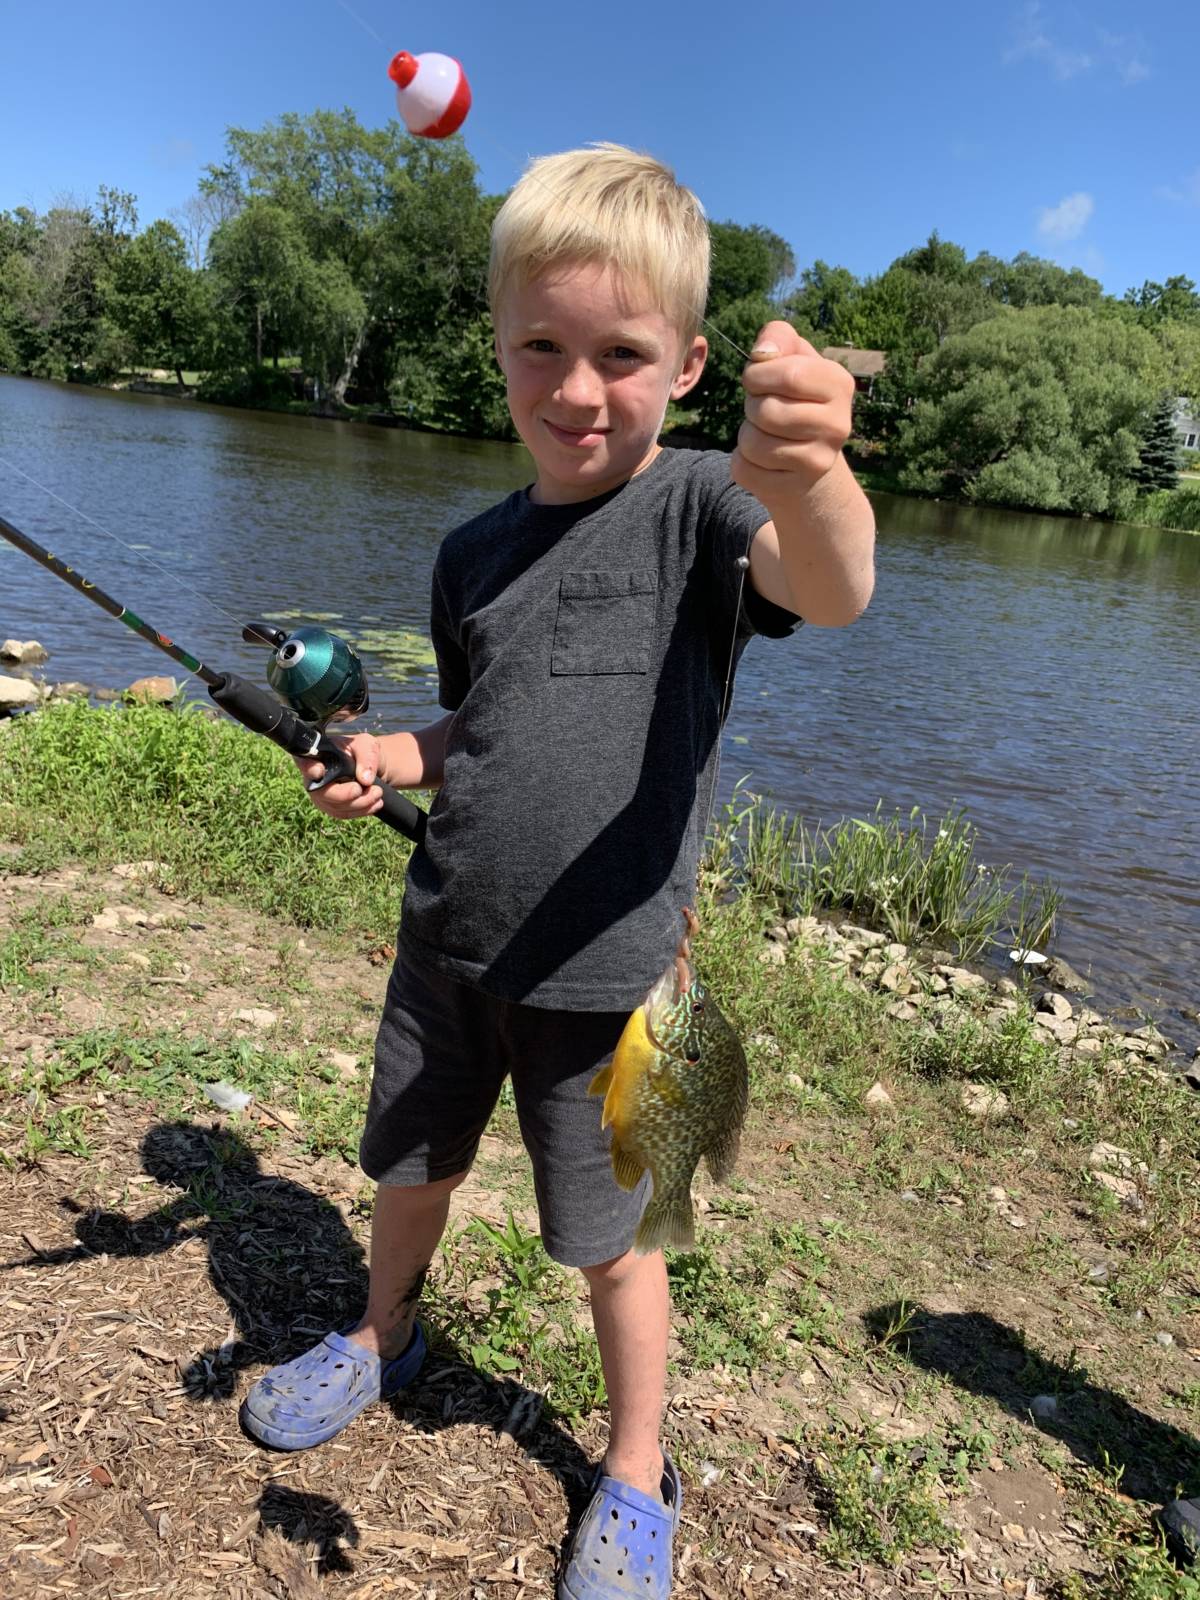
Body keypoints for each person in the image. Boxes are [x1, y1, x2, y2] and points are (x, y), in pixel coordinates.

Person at [240, 143, 875, 1597]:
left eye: (622, 353)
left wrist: (817, 473)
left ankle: (636, 1465)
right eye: (545, 345)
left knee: (619, 1246)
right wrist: (397, 759)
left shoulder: (712, 507)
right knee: (409, 1170)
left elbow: (830, 588)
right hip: (447, 947)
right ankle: (382, 1329)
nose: (578, 388)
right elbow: (486, 719)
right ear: (500, 345)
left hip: (615, 986)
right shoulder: (470, 551)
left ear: (691, 364)